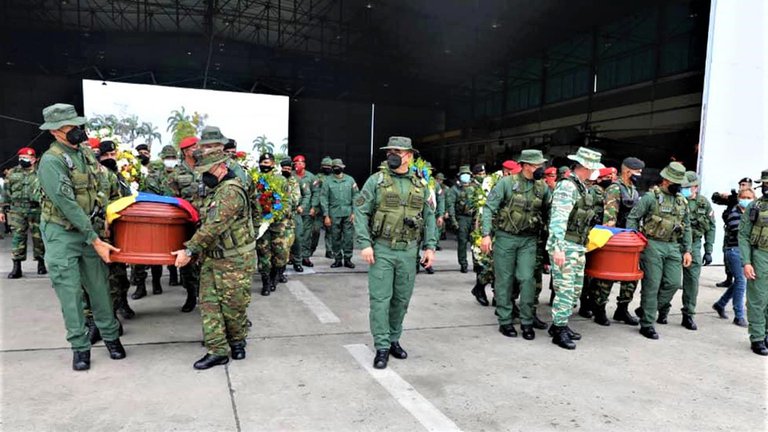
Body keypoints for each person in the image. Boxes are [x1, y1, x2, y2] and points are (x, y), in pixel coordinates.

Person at [36, 103, 125, 371]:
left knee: (99, 287)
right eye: (70, 126)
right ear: (55, 131)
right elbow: (67, 205)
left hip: (90, 229)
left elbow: (101, 182)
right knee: (71, 293)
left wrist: (107, 215)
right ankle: (80, 347)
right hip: (62, 233)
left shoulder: (85, 153)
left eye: (77, 124)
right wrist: (95, 239)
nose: (77, 130)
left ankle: (111, 338)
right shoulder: (51, 162)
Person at [354, 136, 437, 369]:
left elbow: (429, 217)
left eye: (397, 151)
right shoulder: (377, 181)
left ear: (409, 155)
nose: (392, 155)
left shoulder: (421, 184)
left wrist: (430, 246)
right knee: (380, 300)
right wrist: (365, 243)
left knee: (401, 300)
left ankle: (393, 339)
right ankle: (381, 346)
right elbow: (360, 211)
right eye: (389, 151)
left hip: (409, 251)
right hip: (382, 249)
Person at [172, 148, 256, 369]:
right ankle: (217, 350)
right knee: (209, 305)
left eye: (207, 171)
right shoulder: (216, 190)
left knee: (233, 307)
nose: (203, 176)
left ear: (221, 167)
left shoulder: (231, 192)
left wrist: (189, 250)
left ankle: (237, 342)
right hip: (213, 258)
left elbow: (214, 226)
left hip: (234, 260)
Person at [480, 149, 551, 341]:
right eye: (537, 165)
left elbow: (549, 214)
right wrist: (486, 235)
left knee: (527, 278)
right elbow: (488, 208)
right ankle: (505, 320)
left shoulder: (542, 187)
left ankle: (527, 321)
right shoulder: (506, 183)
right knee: (505, 279)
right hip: (506, 238)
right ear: (526, 165)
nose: (540, 168)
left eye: (541, 165)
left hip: (529, 240)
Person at [627, 161, 692, 340]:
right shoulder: (650, 198)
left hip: (673, 246)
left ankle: (648, 308)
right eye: (674, 182)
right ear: (665, 180)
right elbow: (633, 217)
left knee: (673, 283)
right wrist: (635, 241)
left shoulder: (682, 201)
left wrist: (687, 250)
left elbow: (686, 228)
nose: (678, 186)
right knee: (652, 285)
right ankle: (647, 324)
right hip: (652, 244)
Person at [545, 147, 603, 349]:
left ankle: (560, 324)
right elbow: (558, 220)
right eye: (594, 168)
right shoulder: (567, 187)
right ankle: (559, 330)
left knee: (575, 289)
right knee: (565, 289)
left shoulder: (581, 187)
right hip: (565, 245)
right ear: (586, 167)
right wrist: (557, 248)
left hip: (577, 245)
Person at [591, 157, 645, 325]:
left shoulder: (633, 190)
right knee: (607, 278)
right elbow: (609, 218)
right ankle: (599, 309)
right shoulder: (615, 189)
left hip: (630, 238)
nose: (640, 174)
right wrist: (612, 241)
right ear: (627, 171)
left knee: (630, 279)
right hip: (614, 237)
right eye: (638, 172)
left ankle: (622, 310)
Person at [672, 171, 715, 330]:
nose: (684, 189)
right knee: (670, 280)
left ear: (695, 188)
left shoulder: (704, 203)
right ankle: (662, 310)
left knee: (692, 282)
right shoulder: (676, 199)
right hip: (675, 242)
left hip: (695, 244)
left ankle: (688, 314)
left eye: (687, 187)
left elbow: (711, 227)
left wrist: (709, 249)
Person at [165, 136, 203, 312]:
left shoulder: (208, 168)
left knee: (207, 261)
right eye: (195, 146)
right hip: (187, 224)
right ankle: (190, 294)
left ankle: (207, 297)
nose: (199, 149)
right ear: (186, 151)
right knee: (188, 263)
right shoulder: (176, 174)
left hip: (206, 223)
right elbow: (171, 201)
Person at [1, 147, 46, 278]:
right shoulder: (12, 173)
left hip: (37, 209)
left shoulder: (41, 173)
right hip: (17, 210)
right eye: (21, 158)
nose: (24, 160)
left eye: (27, 158)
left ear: (34, 159)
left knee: (39, 238)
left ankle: (41, 263)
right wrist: (1, 210)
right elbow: (5, 193)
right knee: (17, 238)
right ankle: (17, 267)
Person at [713, 188, 754, 327]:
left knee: (739, 282)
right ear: (739, 198)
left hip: (746, 251)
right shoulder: (734, 213)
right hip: (735, 250)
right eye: (744, 197)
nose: (747, 200)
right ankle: (739, 315)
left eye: (750, 198)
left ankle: (720, 304)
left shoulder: (752, 214)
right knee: (741, 281)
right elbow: (740, 233)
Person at [738, 170, 768, 356]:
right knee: (758, 300)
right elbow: (743, 235)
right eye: (764, 184)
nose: (766, 187)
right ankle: (757, 337)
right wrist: (747, 262)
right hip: (760, 256)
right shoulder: (754, 207)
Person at [255, 153, 289, 296]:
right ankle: (266, 282)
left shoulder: (281, 180)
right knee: (263, 254)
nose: (264, 165)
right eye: (262, 162)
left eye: (267, 162)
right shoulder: (255, 179)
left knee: (279, 254)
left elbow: (286, 200)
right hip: (261, 223)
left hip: (277, 223)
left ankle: (275, 277)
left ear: (273, 164)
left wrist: (281, 213)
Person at [713, 177, 754, 287]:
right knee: (728, 255)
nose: (742, 187)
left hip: (745, 232)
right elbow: (715, 198)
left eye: (745, 184)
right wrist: (722, 195)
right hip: (730, 230)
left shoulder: (752, 199)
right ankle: (729, 277)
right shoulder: (734, 198)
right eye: (741, 185)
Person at [321, 158, 359, 268]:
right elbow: (324, 199)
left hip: (348, 213)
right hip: (334, 214)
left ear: (343, 167)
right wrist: (326, 215)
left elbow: (356, 196)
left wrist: (354, 212)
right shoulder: (327, 181)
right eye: (335, 167)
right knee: (335, 238)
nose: (337, 169)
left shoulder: (350, 180)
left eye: (339, 167)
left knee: (348, 238)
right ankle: (337, 259)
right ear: (332, 168)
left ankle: (348, 259)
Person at [447, 165, 476, 273]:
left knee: (475, 242)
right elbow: (451, 206)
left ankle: (477, 263)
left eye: (468, 174)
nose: (466, 176)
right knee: (462, 242)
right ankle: (463, 263)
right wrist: (453, 220)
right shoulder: (454, 190)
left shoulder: (475, 188)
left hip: (473, 218)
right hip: (462, 218)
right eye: (464, 175)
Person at [280, 158, 306, 277]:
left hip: (295, 214)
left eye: (289, 168)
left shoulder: (297, 180)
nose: (287, 170)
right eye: (284, 168)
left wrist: (303, 206)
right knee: (281, 242)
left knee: (298, 240)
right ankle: (281, 265)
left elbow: (307, 194)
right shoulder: (276, 180)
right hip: (280, 216)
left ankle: (298, 263)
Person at [292, 155, 317, 268]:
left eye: (301, 163)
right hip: (294, 211)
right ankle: (293, 256)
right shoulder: (291, 176)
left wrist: (314, 207)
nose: (299, 165)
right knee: (295, 235)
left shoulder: (311, 177)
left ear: (304, 164)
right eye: (297, 163)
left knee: (306, 235)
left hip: (307, 211)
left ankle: (305, 257)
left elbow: (316, 193)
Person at [311, 157, 334, 258]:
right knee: (315, 231)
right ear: (321, 167)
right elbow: (314, 192)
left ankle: (329, 251)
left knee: (330, 231)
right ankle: (311, 249)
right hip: (319, 209)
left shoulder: (334, 178)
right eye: (325, 166)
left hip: (330, 209)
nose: (327, 168)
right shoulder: (317, 178)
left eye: (329, 166)